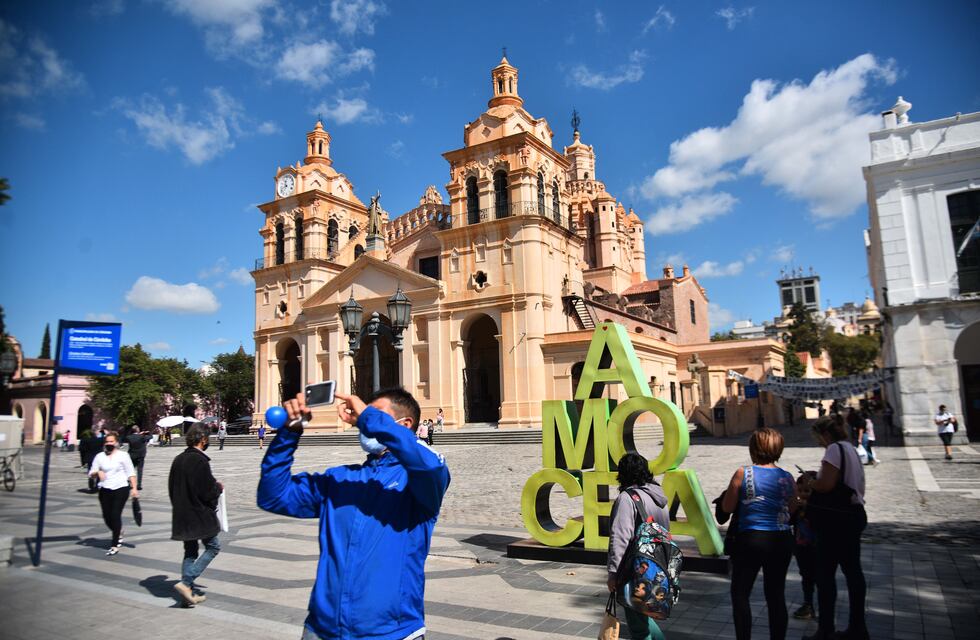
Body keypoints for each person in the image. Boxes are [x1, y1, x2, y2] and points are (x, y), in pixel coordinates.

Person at [258, 387, 450, 640]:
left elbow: (429, 463)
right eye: (366, 413)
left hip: (391, 632)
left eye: (376, 413)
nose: (365, 420)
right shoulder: (341, 479)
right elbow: (274, 496)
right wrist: (288, 434)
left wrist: (368, 418)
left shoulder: (418, 482)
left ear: (404, 425)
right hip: (321, 629)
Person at [720, 428, 797, 640]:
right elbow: (791, 510)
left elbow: (727, 507)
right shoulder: (787, 477)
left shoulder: (743, 473)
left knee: (741, 594)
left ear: (754, 448)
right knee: (776, 596)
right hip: (781, 539)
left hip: (752, 538)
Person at [801, 415, 868, 640]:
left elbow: (826, 485)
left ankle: (825, 628)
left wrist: (810, 481)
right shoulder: (850, 448)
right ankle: (858, 627)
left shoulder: (833, 450)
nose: (819, 442)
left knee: (825, 575)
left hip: (835, 522)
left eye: (819, 437)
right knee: (853, 573)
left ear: (826, 434)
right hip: (853, 514)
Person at [606, 452, 669, 640]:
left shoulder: (627, 498)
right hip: (657, 565)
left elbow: (620, 537)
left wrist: (614, 573)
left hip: (634, 569)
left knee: (637, 626)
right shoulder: (658, 496)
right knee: (641, 615)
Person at [168, 423, 223, 608]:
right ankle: (186, 582)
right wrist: (218, 488)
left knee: (190, 551)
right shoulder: (200, 461)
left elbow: (171, 488)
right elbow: (207, 491)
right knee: (213, 547)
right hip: (199, 514)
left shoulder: (178, 459)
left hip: (182, 513)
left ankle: (186, 595)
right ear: (203, 439)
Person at [87, 431, 138, 556]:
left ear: (116, 443)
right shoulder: (100, 456)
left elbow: (131, 472)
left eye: (112, 441)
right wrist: (97, 473)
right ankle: (119, 530)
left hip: (121, 488)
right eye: (107, 441)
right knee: (107, 516)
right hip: (104, 488)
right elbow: (91, 473)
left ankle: (115, 544)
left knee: (115, 514)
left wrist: (134, 489)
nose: (109, 444)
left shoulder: (123, 456)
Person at [791, 473, 817, 621]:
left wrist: (809, 508)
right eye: (799, 491)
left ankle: (819, 605)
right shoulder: (797, 506)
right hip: (801, 547)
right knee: (806, 576)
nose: (802, 495)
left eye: (807, 491)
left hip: (816, 547)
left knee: (819, 576)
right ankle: (808, 603)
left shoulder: (817, 508)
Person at [125, 426, 148, 490]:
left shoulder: (129, 437)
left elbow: (125, 438)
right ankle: (139, 485)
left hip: (132, 455)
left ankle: (128, 483)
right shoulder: (141, 437)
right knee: (140, 470)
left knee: (130, 470)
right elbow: (150, 437)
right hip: (140, 455)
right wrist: (146, 433)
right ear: (137, 430)